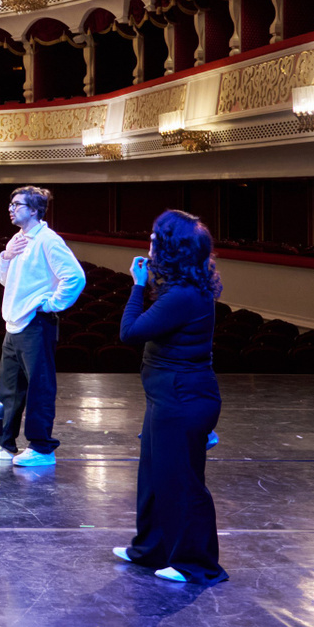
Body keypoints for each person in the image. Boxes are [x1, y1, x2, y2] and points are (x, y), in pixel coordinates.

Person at [113, 208, 228, 585]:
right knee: (153, 478)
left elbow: (130, 332)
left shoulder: (182, 296)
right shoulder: (185, 288)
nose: (149, 243)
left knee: (182, 483)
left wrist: (136, 285)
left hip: (181, 399)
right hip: (168, 398)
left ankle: (197, 564)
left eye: (154, 239)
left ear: (171, 248)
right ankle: (151, 549)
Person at [0, 185, 85, 468]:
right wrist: (6, 256)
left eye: (17, 204)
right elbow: (5, 280)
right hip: (14, 323)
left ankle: (42, 447)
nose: (11, 209)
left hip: (35, 323)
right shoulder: (18, 239)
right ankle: (3, 443)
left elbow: (75, 277)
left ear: (34, 210)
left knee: (39, 388)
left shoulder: (48, 240)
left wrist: (49, 304)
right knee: (8, 389)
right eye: (11, 204)